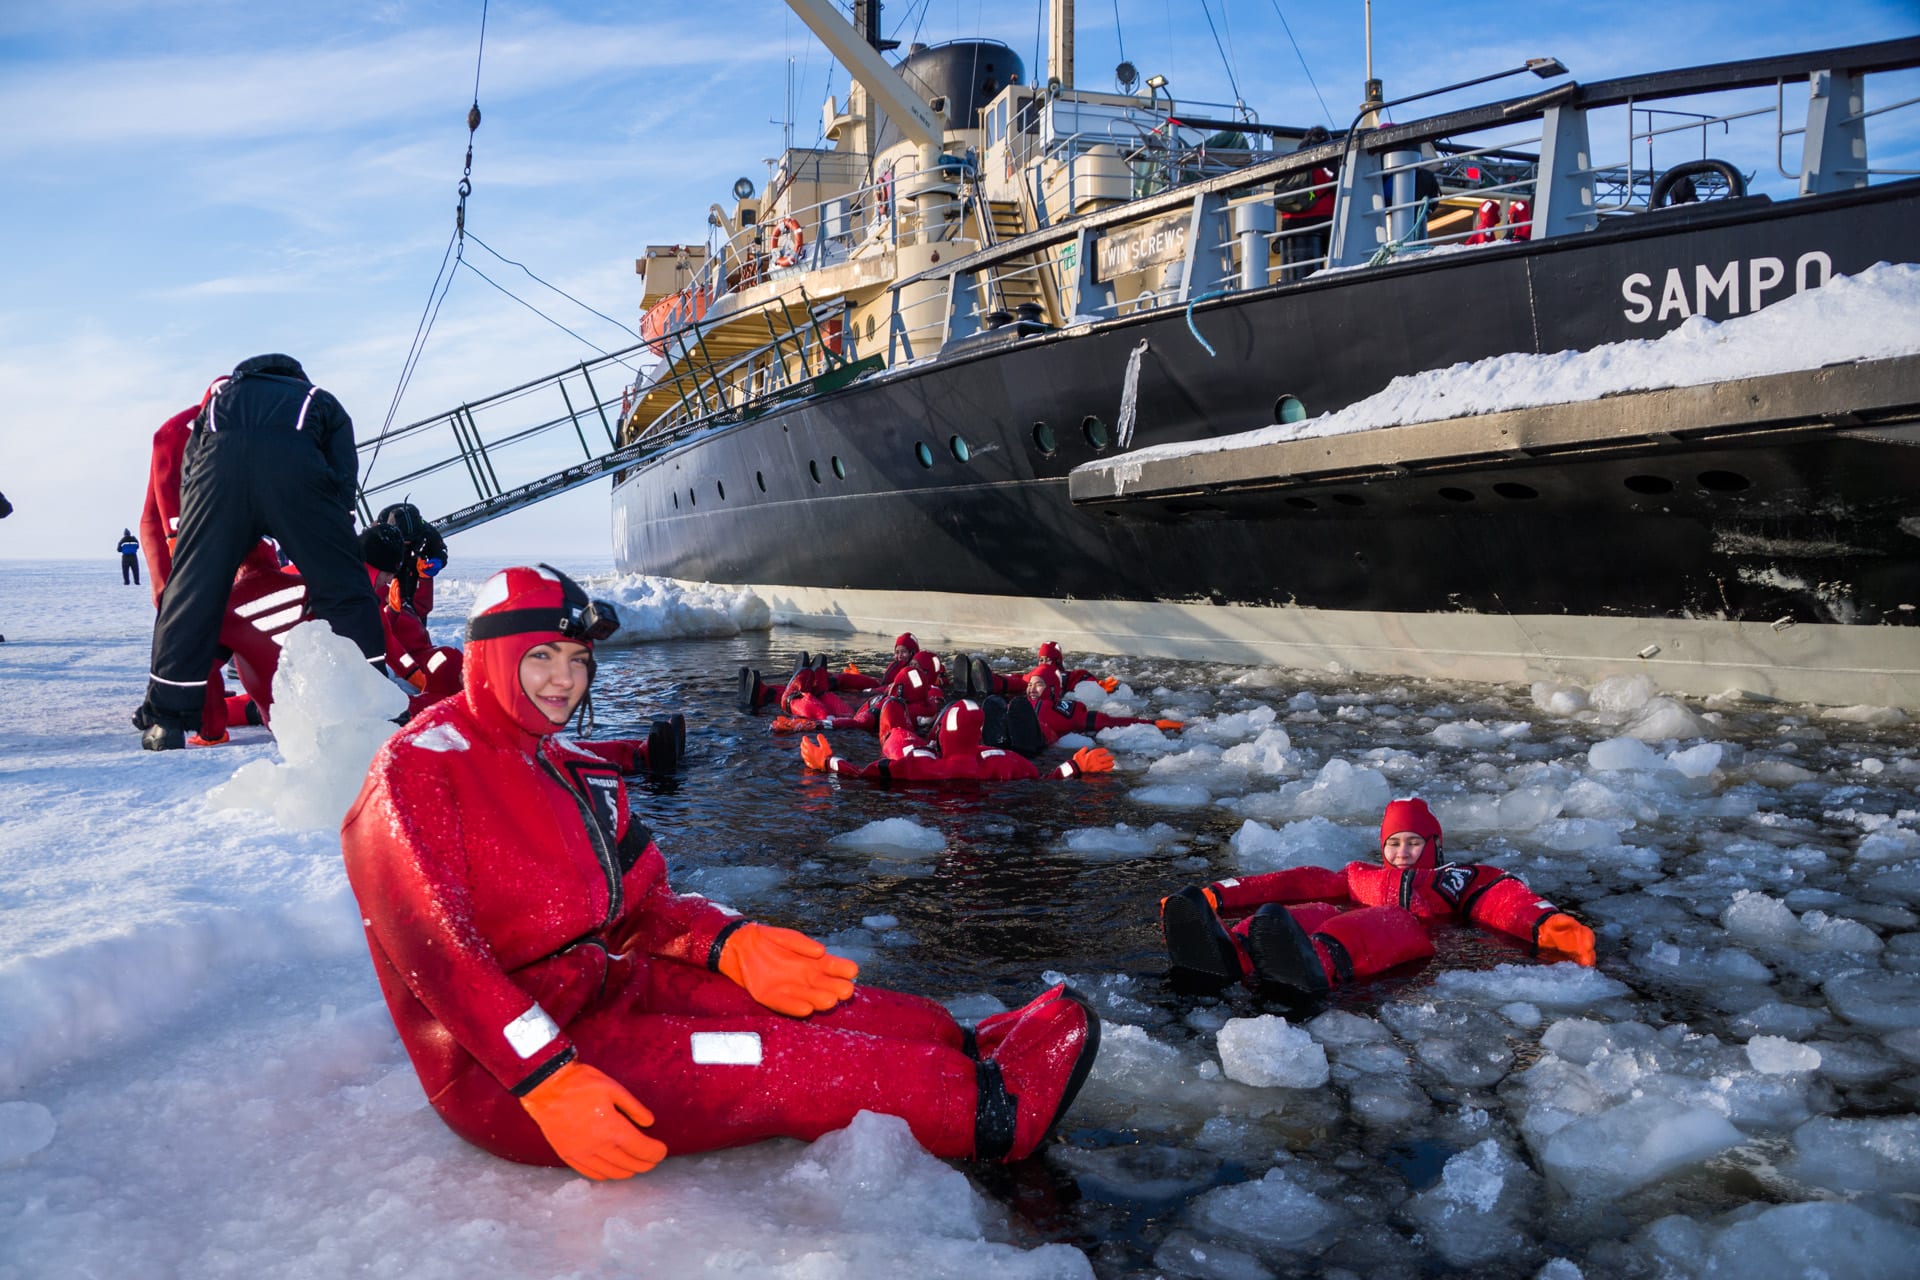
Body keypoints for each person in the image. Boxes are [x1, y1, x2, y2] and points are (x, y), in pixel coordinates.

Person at [340, 565, 1099, 1178]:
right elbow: (442, 961)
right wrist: (546, 1076)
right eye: (539, 656)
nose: (562, 680)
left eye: (576, 661)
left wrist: (729, 944)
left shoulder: (570, 769)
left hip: (604, 990)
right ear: (489, 656)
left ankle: (960, 1043)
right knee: (778, 1060)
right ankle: (994, 1113)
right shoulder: (418, 773)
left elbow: (645, 906)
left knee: (813, 1009)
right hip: (512, 1069)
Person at [137, 355, 386, 751]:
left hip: (217, 483)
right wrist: (336, 530)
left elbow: (191, 467)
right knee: (342, 588)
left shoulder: (219, 400)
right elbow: (342, 473)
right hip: (297, 478)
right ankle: (372, 698)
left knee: (191, 597)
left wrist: (196, 532)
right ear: (295, 376)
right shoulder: (318, 398)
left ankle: (165, 720)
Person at [1158, 797, 1598, 995]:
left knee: (1388, 920)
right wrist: (1220, 893)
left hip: (1411, 943)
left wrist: (1547, 924)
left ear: (1433, 844)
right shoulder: (1360, 876)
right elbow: (1297, 881)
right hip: (1352, 928)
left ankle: (1316, 963)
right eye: (1393, 843)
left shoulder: (1459, 878)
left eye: (1412, 842)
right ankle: (1231, 950)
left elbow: (1504, 899)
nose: (1402, 852)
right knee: (1314, 909)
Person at [799, 697, 1116, 785]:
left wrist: (827, 762)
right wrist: (1074, 765)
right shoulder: (1002, 760)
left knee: (894, 724)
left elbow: (862, 775)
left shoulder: (918, 766)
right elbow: (1043, 779)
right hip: (992, 759)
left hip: (919, 751)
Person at [1276, 125, 1338, 280]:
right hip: (1322, 219)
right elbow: (1338, 186)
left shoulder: (1294, 160)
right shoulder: (1328, 159)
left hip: (1290, 223)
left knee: (1295, 274)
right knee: (1338, 253)